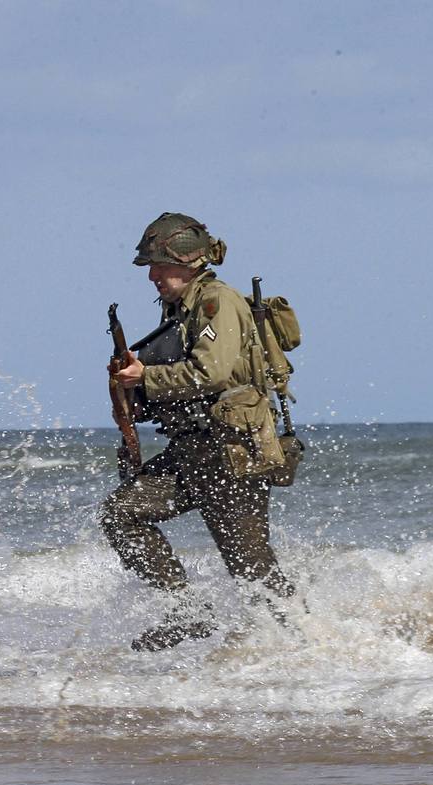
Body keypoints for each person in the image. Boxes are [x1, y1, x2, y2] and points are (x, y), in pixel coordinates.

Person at [101, 213, 295, 651]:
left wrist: (144, 377)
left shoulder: (217, 302)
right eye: (149, 266)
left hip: (232, 453)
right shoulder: (179, 308)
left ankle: (313, 656)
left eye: (159, 265)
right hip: (193, 450)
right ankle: (188, 610)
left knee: (254, 575)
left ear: (189, 261)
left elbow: (209, 373)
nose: (151, 275)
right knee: (121, 514)